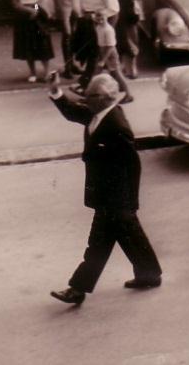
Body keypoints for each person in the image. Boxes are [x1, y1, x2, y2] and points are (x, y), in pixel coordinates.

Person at [48, 73, 162, 304]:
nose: (84, 98)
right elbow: (72, 111)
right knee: (124, 237)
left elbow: (132, 165)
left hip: (115, 197)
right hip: (107, 195)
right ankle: (149, 274)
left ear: (104, 97)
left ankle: (78, 289)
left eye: (89, 95)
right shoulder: (97, 113)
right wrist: (56, 91)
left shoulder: (117, 126)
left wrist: (129, 202)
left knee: (99, 243)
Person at [72, 0, 120, 93]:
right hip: (92, 18)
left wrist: (94, 17)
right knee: (92, 51)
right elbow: (82, 6)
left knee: (99, 52)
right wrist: (84, 15)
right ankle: (87, 83)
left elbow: (113, 9)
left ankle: (88, 85)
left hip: (107, 17)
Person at [10, 0, 53, 82]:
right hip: (24, 16)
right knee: (28, 44)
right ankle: (32, 73)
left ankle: (46, 72)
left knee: (43, 43)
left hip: (38, 13)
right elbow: (15, 3)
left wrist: (35, 9)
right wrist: (29, 10)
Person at [105, 0, 145, 79]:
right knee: (118, 37)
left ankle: (133, 66)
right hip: (115, 9)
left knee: (132, 37)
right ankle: (122, 66)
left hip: (128, 9)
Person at [93, 11, 133, 103]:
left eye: (102, 18)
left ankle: (129, 95)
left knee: (117, 73)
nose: (100, 20)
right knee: (100, 73)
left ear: (106, 17)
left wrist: (103, 60)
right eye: (98, 18)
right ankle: (94, 94)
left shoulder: (108, 30)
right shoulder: (98, 27)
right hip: (102, 51)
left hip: (110, 54)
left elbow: (110, 47)